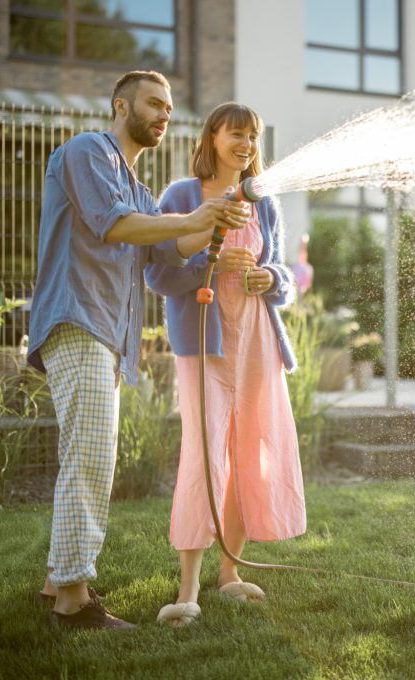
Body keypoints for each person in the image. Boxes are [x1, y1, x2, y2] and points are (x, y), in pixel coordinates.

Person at [26, 71, 250, 631]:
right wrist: (195, 217)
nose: (164, 113)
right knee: (92, 459)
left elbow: (170, 250)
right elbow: (116, 226)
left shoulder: (137, 187)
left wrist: (213, 219)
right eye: (154, 103)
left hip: (108, 334)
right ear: (121, 105)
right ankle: (74, 603)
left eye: (170, 107)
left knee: (85, 453)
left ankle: (57, 582)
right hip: (79, 319)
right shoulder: (88, 153)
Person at [146, 102, 306, 627]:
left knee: (248, 452)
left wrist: (270, 279)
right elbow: (158, 275)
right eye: (236, 133)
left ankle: (229, 573)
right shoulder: (182, 195)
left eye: (252, 136)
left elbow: (280, 272)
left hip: (256, 340)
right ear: (213, 137)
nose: (246, 144)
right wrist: (206, 264)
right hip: (204, 343)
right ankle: (187, 587)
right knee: (204, 454)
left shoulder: (264, 201)